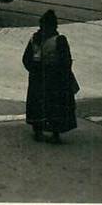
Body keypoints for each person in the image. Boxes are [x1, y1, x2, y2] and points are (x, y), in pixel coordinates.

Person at [22, 10, 78, 144]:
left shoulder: (34, 39)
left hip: (37, 78)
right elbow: (66, 61)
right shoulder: (59, 40)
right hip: (55, 79)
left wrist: (34, 71)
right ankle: (55, 134)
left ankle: (38, 131)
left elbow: (26, 59)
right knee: (55, 106)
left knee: (37, 104)